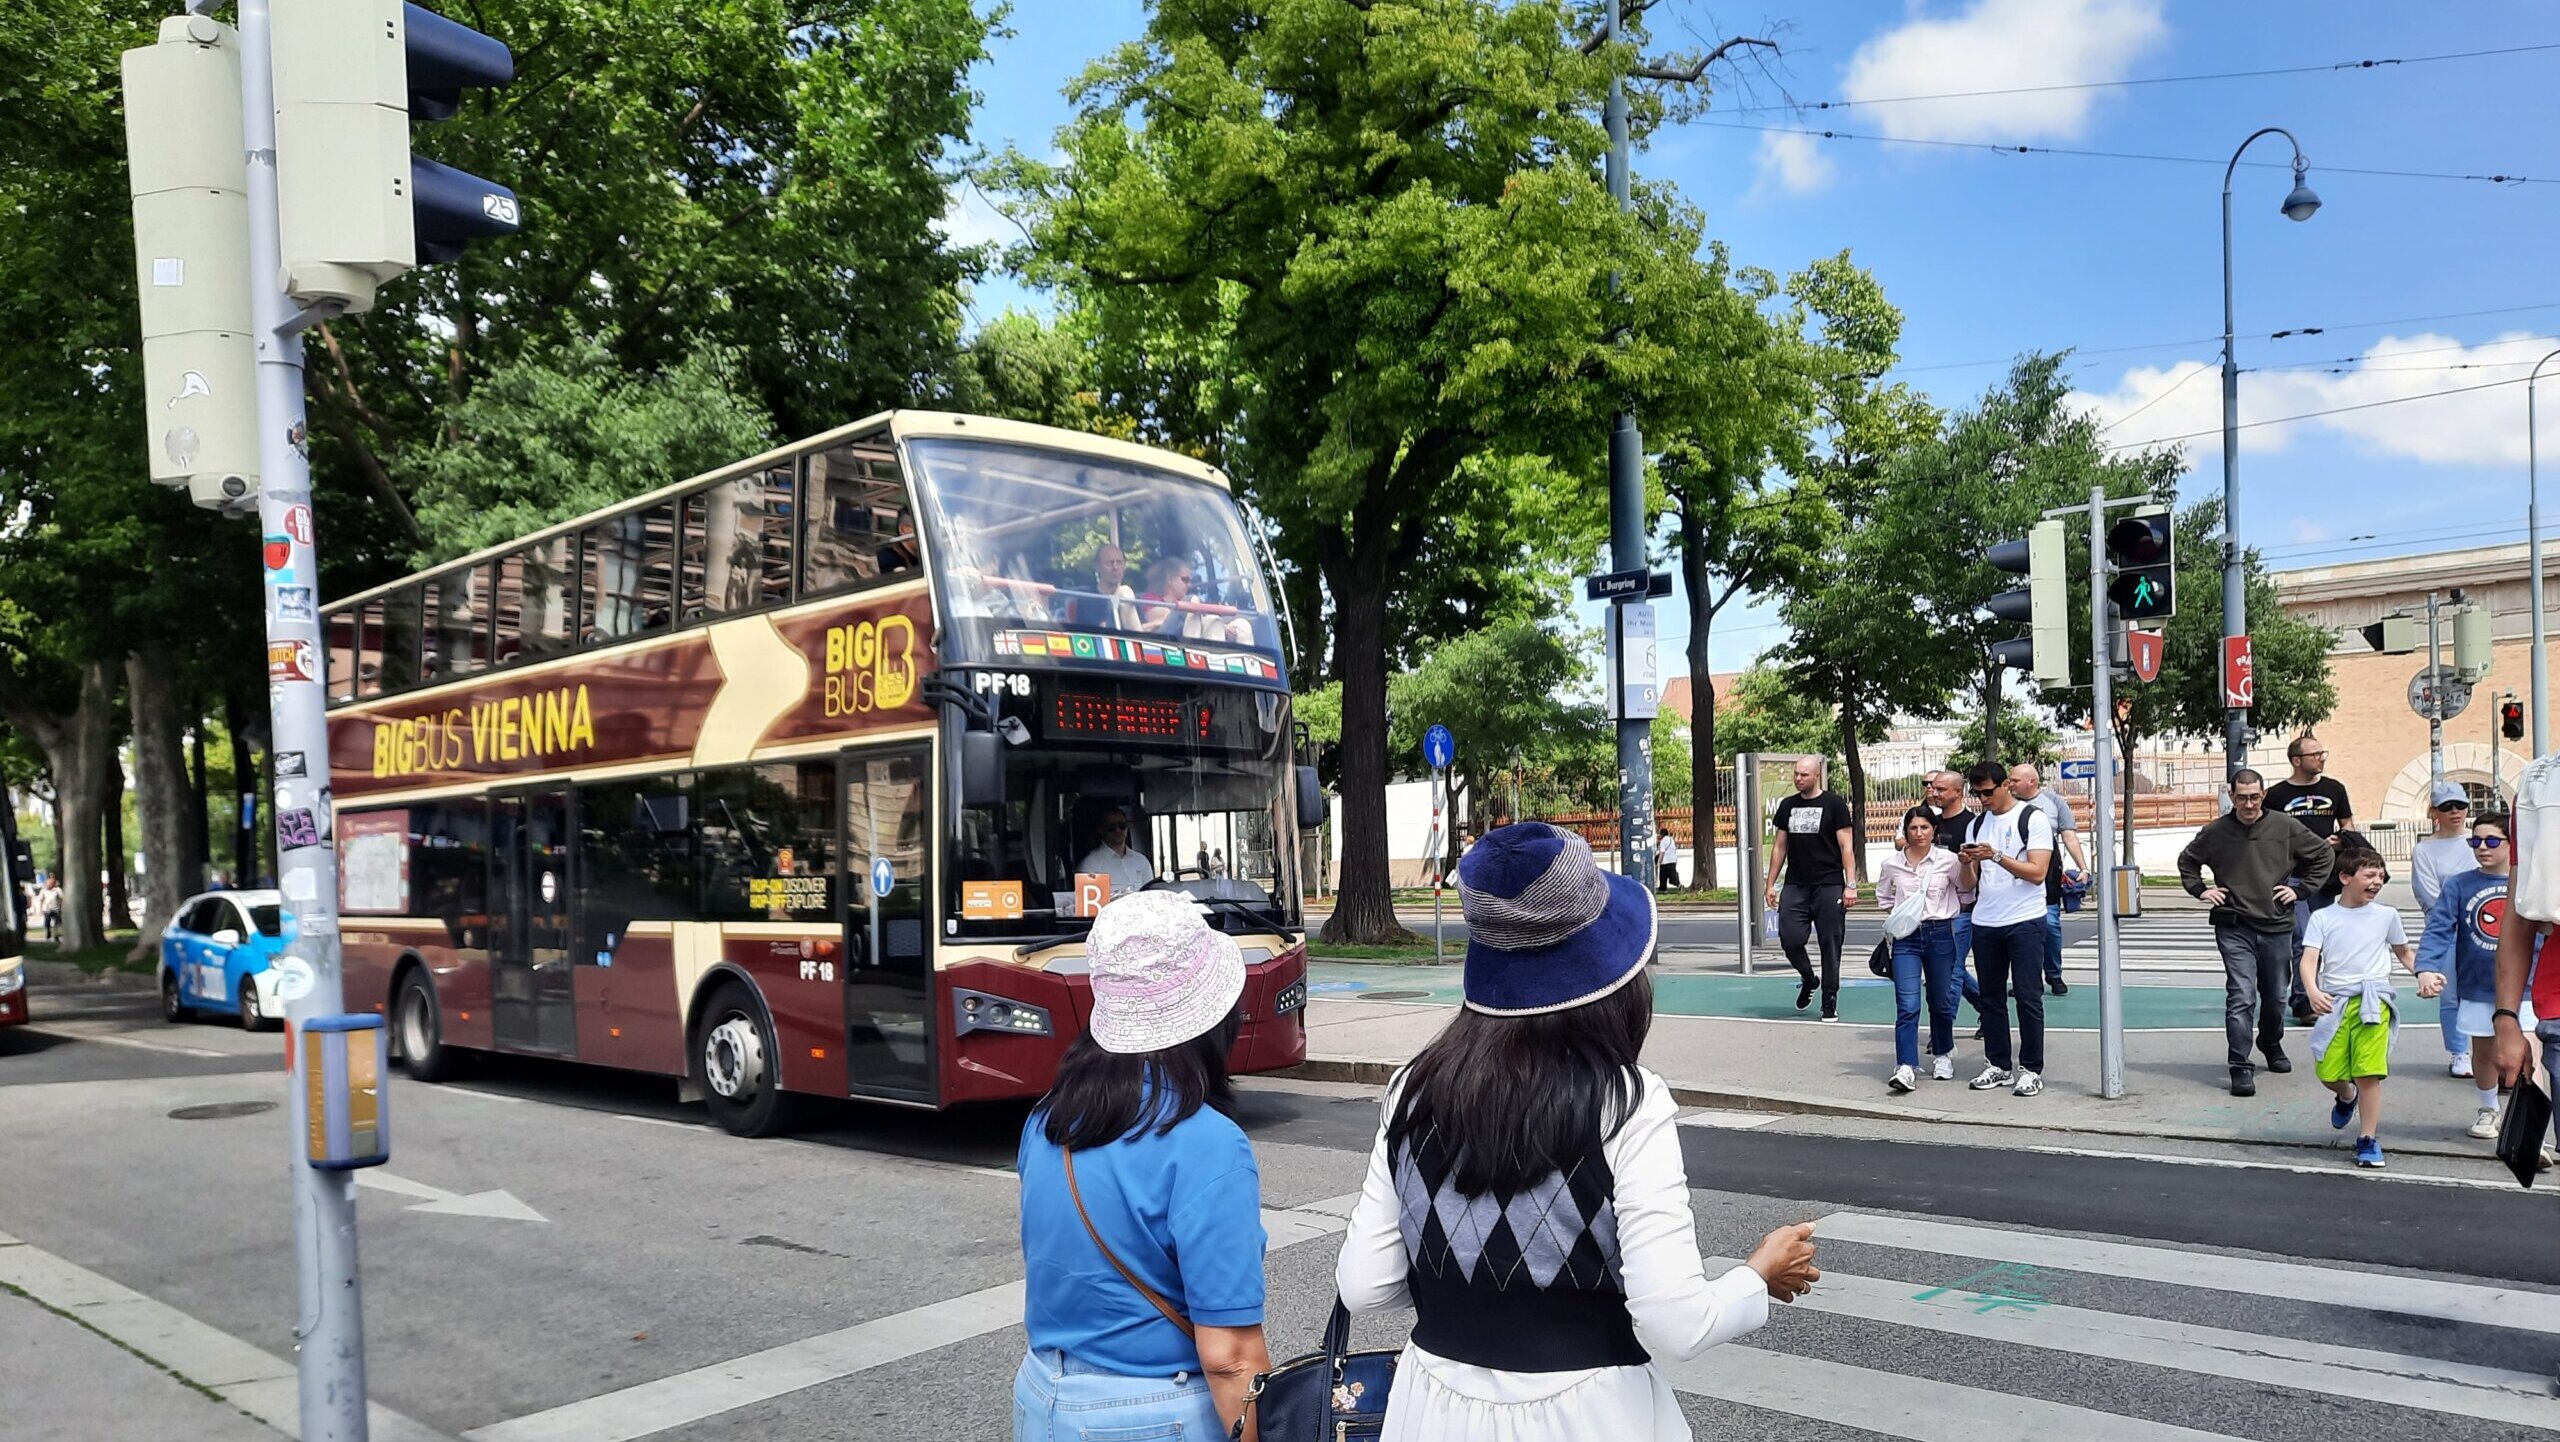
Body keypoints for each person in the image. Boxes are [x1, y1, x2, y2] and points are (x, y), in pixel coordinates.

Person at [1335, 823, 1821, 1441]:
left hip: (1431, 1408)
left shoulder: (1412, 1088)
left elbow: (1365, 1286)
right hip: (1587, 1412)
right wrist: (1758, 1274)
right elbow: (1674, 1323)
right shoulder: (1628, 1101)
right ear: (1611, 974)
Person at [1013, 891, 1270, 1441]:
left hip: (1043, 1398)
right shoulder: (1209, 1144)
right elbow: (1230, 1356)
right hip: (1156, 1411)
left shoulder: (1047, 1121)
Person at [2177, 769, 2333, 1097]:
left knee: (2276, 996)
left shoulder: (2285, 826)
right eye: (2242, 797)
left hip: (2276, 924)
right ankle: (2240, 1064)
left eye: (2255, 796)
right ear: (2231, 797)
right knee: (2241, 995)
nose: (2249, 803)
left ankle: (2270, 1042)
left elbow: (2323, 854)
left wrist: (2301, 890)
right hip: (2234, 926)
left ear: (2263, 795)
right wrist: (2201, 890)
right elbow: (2187, 862)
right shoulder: (2216, 832)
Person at [2301, 846, 2438, 1170]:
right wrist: (2312, 991)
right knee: (2329, 1072)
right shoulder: (2323, 917)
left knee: (2368, 1073)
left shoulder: (2387, 915)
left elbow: (2404, 952)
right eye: (2369, 875)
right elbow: (2309, 960)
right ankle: (2346, 1096)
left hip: (2374, 1002)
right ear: (2346, 877)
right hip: (2335, 1003)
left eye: (2380, 875)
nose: (2377, 881)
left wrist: (2424, 974)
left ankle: (2367, 1139)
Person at [2417, 813, 2529, 1139]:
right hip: (2478, 985)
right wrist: (2426, 967)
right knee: (2484, 1051)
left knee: (2529, 1053)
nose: (2482, 847)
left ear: (2512, 844)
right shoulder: (2459, 884)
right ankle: (2488, 1109)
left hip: (2527, 986)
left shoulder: (2529, 882)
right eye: (2475, 841)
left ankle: (2525, 1123)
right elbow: (2438, 930)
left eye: (2492, 841)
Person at [1955, 761, 2053, 1096]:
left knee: (2028, 996)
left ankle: (2031, 1068)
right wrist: (1967, 864)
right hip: (1986, 920)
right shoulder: (1977, 824)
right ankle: (1997, 1064)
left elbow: (2038, 872)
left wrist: (1996, 856)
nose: (1982, 799)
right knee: (1991, 997)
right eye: (1977, 793)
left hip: (2025, 918)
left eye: (1987, 792)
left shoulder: (2032, 818)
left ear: (2005, 786)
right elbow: (1970, 884)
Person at [2267, 735, 2353, 1024]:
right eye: (2315, 753)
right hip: (2291, 877)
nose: (2321, 757)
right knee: (2302, 938)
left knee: (2324, 938)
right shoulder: (2277, 794)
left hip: (2324, 877)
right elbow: (2268, 834)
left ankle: (2317, 993)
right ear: (2296, 760)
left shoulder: (2334, 789)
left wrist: (2341, 841)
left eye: (2322, 752)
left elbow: (2348, 826)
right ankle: (2304, 1002)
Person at [1875, 811, 1964, 1090]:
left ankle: (1942, 1052)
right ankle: (1905, 1065)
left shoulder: (1948, 860)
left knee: (1940, 1001)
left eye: (1924, 827)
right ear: (1906, 831)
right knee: (1907, 1004)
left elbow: (1965, 890)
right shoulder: (1892, 863)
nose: (1919, 833)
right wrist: (1901, 915)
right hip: (1906, 939)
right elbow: (1883, 896)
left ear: (1934, 830)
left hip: (1939, 933)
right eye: (1913, 827)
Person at [1765, 758, 1857, 1019]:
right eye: (1796, 774)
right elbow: (1779, 847)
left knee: (1830, 942)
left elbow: (1846, 847)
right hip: (1796, 884)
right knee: (1790, 938)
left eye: (1804, 774)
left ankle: (1830, 999)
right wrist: (1771, 883)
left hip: (1829, 884)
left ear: (1817, 775)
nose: (1798, 778)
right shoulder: (1788, 806)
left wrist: (1850, 885)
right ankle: (1809, 978)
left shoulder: (1834, 805)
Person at [2409, 781, 2481, 1078]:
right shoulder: (2425, 850)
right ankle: (2459, 1051)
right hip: (2446, 931)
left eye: (2460, 806)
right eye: (2446, 807)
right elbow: (2428, 894)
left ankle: (2491, 1051)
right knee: (2450, 994)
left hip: (2482, 928)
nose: (2455, 812)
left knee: (2486, 992)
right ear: (2434, 812)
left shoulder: (2478, 842)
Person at [1903, 770, 1986, 1020]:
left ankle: (1944, 1028)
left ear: (1958, 792)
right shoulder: (1932, 823)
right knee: (1950, 969)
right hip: (1931, 910)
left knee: (1952, 970)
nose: (1933, 792)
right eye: (1931, 787)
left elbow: (1975, 871)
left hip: (1960, 909)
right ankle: (1987, 1008)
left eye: (1940, 789)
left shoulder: (1972, 825)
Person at [2008, 764, 2089, 997]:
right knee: (2019, 929)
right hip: (2014, 869)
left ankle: (2053, 973)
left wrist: (2082, 867)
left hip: (2047, 869)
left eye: (2015, 780)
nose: (2010, 784)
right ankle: (2026, 978)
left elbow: (2069, 836)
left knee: (2051, 924)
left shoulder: (2053, 802)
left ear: (2031, 782)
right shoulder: (2007, 806)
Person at [1077, 808, 1157, 899]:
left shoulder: (1141, 861)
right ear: (1101, 830)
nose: (1117, 830)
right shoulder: (1089, 865)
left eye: (1122, 826)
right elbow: (1089, 906)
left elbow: (1151, 895)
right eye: (1111, 827)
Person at [1064, 542, 1142, 630]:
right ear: (1097, 566)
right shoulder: (1085, 599)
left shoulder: (1131, 598)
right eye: (1109, 563)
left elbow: (1142, 628)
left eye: (1119, 562)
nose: (1115, 567)